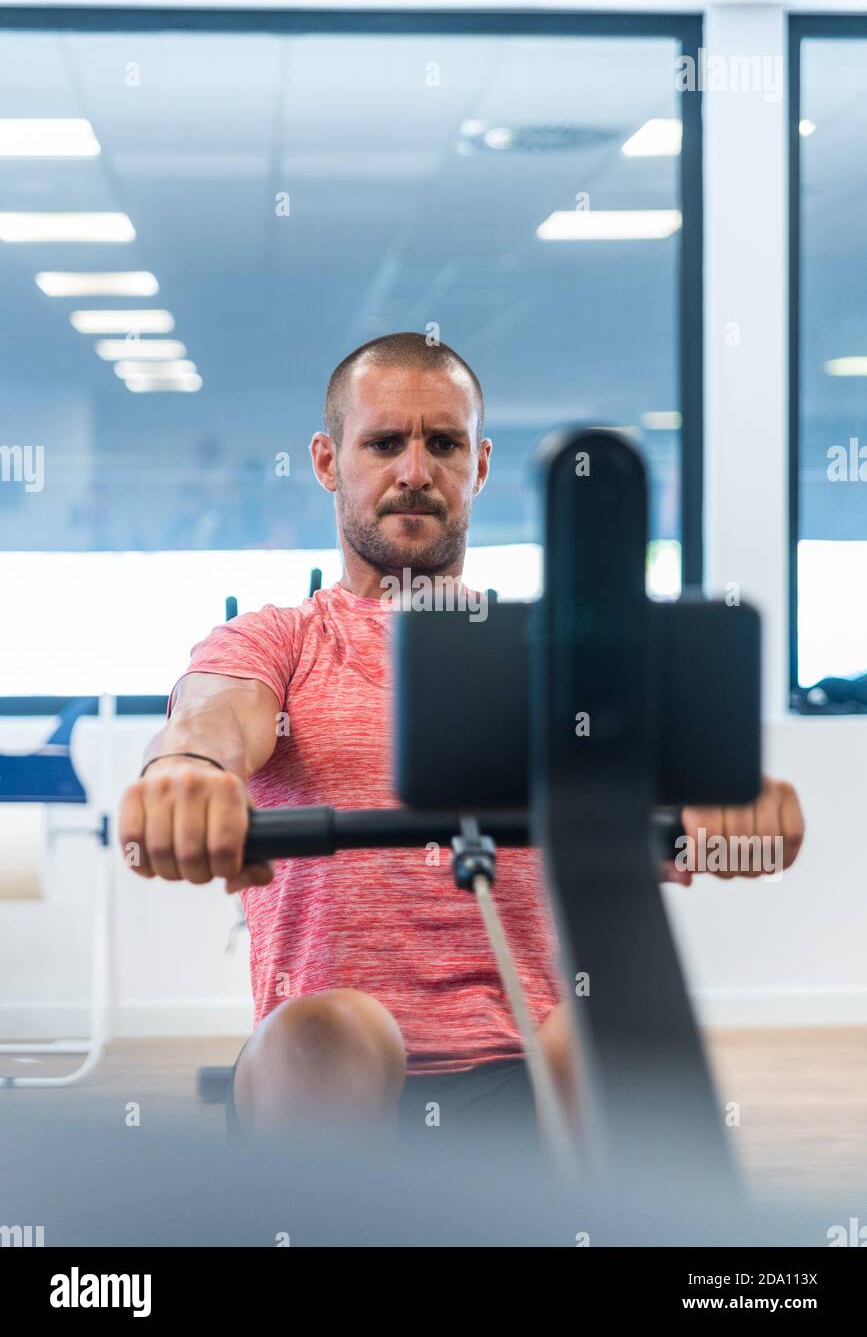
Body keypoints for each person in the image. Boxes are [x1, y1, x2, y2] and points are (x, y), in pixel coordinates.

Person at [118, 332, 805, 1147]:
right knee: (326, 1032)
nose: (413, 472)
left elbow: (705, 822)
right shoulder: (278, 640)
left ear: (477, 466)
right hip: (330, 1067)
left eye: (441, 444)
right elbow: (210, 717)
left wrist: (742, 814)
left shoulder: (552, 657)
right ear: (327, 462)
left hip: (535, 1068)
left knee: (608, 1035)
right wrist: (188, 770)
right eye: (382, 443)